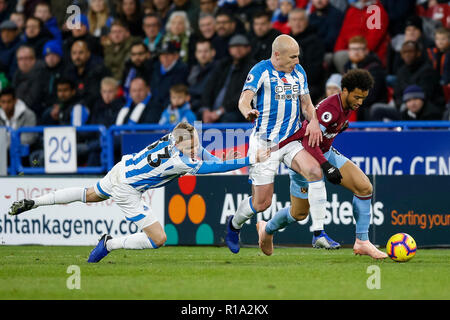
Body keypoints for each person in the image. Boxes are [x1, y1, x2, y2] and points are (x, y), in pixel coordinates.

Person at [8, 122, 270, 263]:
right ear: (179, 144)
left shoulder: (176, 139)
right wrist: (250, 158)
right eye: (190, 146)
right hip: (127, 189)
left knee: (89, 194)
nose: (194, 148)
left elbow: (204, 155)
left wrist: (221, 154)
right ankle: (109, 244)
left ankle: (35, 202)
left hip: (122, 168)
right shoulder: (180, 160)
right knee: (158, 239)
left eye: (195, 143)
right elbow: (215, 167)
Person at [257, 69, 388, 260]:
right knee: (299, 213)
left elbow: (324, 138)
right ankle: (266, 229)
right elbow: (309, 141)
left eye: (363, 98)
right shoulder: (330, 110)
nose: (360, 102)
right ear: (344, 91)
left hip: (324, 152)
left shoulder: (347, 106)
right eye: (357, 97)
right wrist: (327, 166)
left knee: (364, 187)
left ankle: (362, 242)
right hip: (303, 154)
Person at [225, 35, 332, 254]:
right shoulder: (260, 71)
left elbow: (307, 104)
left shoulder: (299, 72)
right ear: (277, 55)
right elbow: (244, 99)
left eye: (298, 56)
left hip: (292, 140)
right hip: (265, 143)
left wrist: (313, 121)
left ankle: (319, 233)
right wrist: (247, 111)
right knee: (261, 203)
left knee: (314, 170)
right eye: (293, 57)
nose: (297, 61)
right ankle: (234, 225)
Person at [200, 34, 255, 123]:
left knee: (229, 118)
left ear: (248, 48)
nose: (237, 49)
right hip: (213, 110)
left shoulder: (253, 68)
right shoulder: (223, 65)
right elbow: (209, 87)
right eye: (234, 46)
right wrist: (206, 109)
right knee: (196, 117)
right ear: (229, 49)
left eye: (241, 46)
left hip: (234, 111)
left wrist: (221, 111)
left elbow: (243, 94)